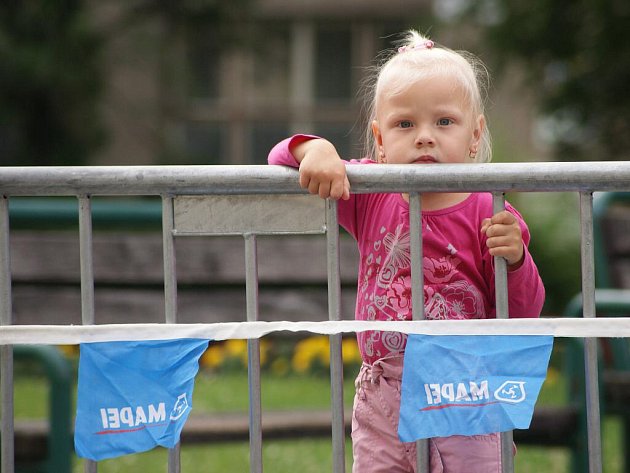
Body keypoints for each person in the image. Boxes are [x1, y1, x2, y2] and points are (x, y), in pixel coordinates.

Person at [268, 30, 545, 473]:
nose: (424, 138)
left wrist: (515, 260)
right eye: (405, 124)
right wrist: (315, 148)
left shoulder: (491, 211)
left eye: (444, 122)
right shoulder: (370, 193)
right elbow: (279, 158)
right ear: (379, 140)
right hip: (383, 395)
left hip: (465, 395)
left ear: (475, 136)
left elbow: (525, 310)